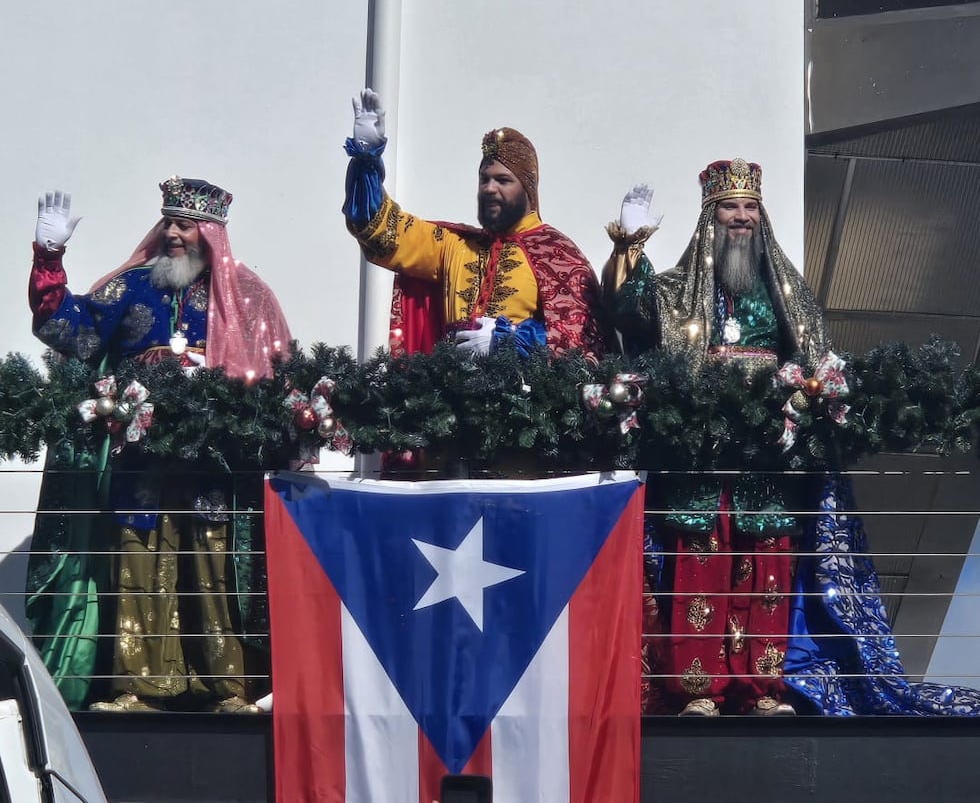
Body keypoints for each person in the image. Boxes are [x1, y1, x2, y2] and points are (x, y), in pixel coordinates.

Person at [604, 159, 980, 718]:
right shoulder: (675, 289)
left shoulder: (788, 292)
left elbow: (814, 359)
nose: (741, 217)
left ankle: (762, 689)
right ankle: (697, 690)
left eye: (749, 207)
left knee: (768, 568)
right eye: (729, 207)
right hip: (701, 455)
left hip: (768, 453)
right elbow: (627, 311)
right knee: (699, 562)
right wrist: (629, 246)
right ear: (710, 217)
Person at [28, 178, 292, 713]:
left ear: (210, 233)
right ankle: (137, 688)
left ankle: (229, 688)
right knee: (138, 559)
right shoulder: (132, 287)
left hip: (213, 462)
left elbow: (276, 374)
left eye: (185, 224)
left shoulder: (247, 295)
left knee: (214, 565)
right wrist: (49, 259)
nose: (172, 233)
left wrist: (217, 377)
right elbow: (69, 332)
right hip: (140, 457)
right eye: (168, 222)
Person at [343, 89, 612, 361]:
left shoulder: (557, 254)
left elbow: (583, 340)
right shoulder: (453, 244)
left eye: (503, 180)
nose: (489, 188)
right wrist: (366, 159)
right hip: (450, 385)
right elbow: (381, 230)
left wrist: (510, 340)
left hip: (521, 388)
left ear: (528, 190)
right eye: (484, 179)